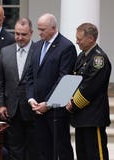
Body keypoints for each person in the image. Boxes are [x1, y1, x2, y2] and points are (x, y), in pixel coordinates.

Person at [26, 13, 77, 160]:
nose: (39, 33)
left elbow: (65, 80)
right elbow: (30, 75)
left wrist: (48, 104)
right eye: (38, 29)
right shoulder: (36, 46)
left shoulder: (66, 47)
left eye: (43, 29)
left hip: (56, 111)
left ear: (53, 28)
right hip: (37, 109)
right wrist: (30, 98)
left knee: (61, 149)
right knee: (42, 149)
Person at [66, 23, 112, 160]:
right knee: (82, 154)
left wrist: (73, 104)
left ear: (91, 39)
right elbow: (74, 80)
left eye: (79, 39)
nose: (76, 42)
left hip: (93, 117)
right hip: (81, 117)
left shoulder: (99, 59)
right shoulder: (82, 56)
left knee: (96, 154)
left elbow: (89, 87)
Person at [0, 18, 36, 160]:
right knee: (14, 148)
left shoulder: (39, 51)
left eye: (23, 34)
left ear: (31, 33)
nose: (19, 37)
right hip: (11, 109)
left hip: (32, 109)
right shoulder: (5, 52)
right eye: (17, 34)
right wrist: (0, 105)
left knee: (32, 147)